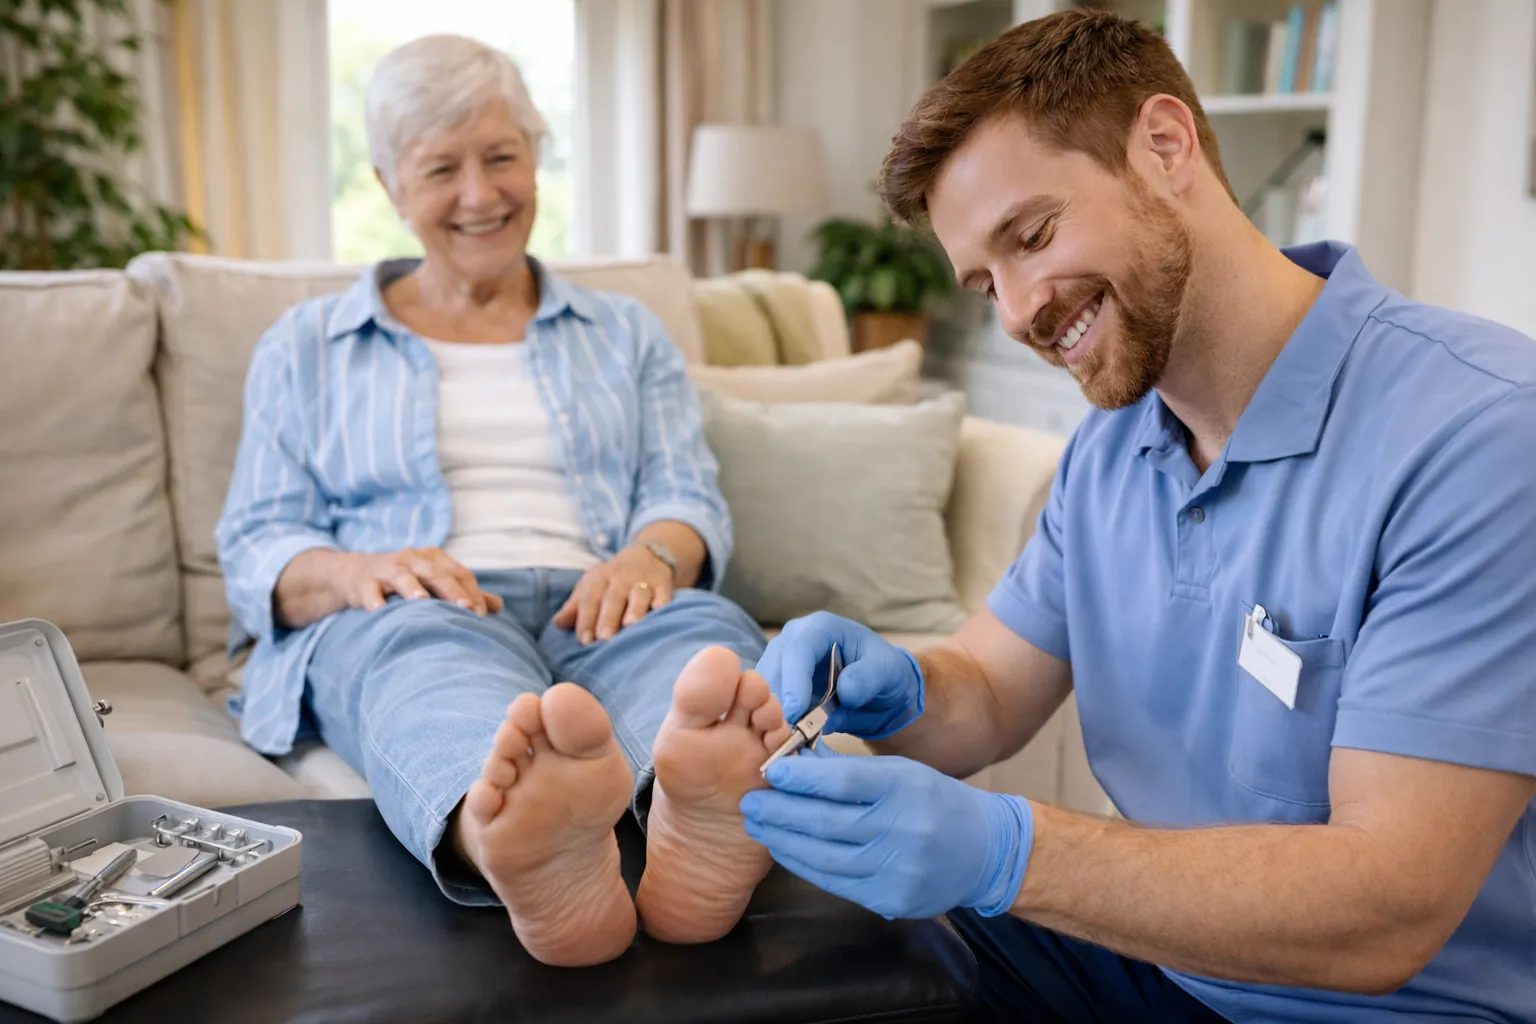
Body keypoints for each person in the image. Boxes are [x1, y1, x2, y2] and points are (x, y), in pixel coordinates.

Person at [741, 10, 1536, 1023]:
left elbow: (1386, 906)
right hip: (1163, 969)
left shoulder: (1479, 434)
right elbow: (987, 689)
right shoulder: (1115, 447)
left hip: (1392, 1009)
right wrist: (893, 689)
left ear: (1166, 147)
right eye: (986, 282)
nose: (1021, 309)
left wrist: (1007, 849)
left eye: (1032, 237)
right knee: (819, 955)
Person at [217, 34, 790, 967]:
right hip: (424, 606)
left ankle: (699, 820)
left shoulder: (623, 332)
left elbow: (685, 493)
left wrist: (654, 556)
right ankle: (521, 845)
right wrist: (356, 571)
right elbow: (255, 543)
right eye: (442, 168)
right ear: (389, 184)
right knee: (426, 671)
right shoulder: (306, 346)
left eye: (502, 157)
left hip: (607, 595)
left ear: (536, 156)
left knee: (703, 653)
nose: (480, 195)